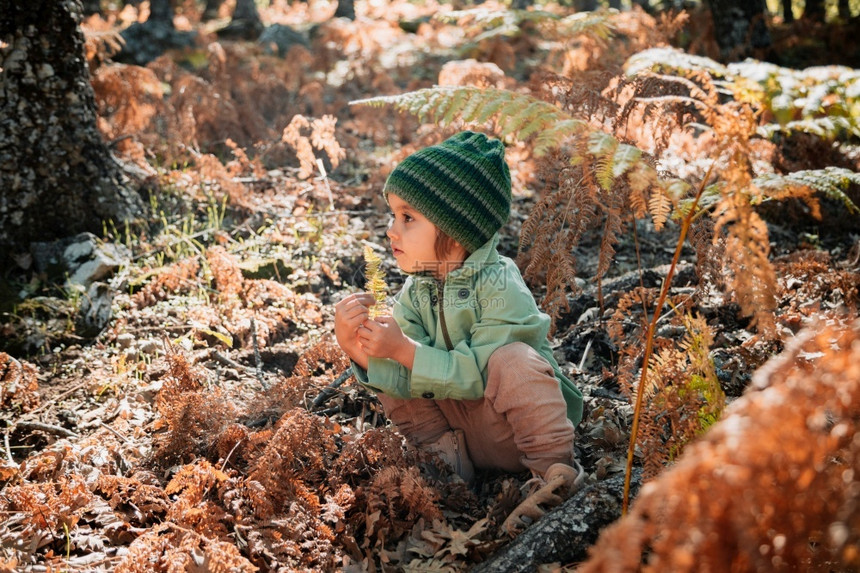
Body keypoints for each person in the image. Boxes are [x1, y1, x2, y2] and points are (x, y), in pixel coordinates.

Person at [334, 131, 585, 534]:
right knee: (391, 361)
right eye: (392, 215)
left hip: (514, 431)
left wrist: (407, 350)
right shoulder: (417, 289)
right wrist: (360, 349)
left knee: (514, 361)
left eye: (408, 217)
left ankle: (555, 476)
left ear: (457, 229)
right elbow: (402, 373)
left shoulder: (501, 284)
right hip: (460, 434)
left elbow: (476, 376)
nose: (391, 230)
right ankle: (443, 468)